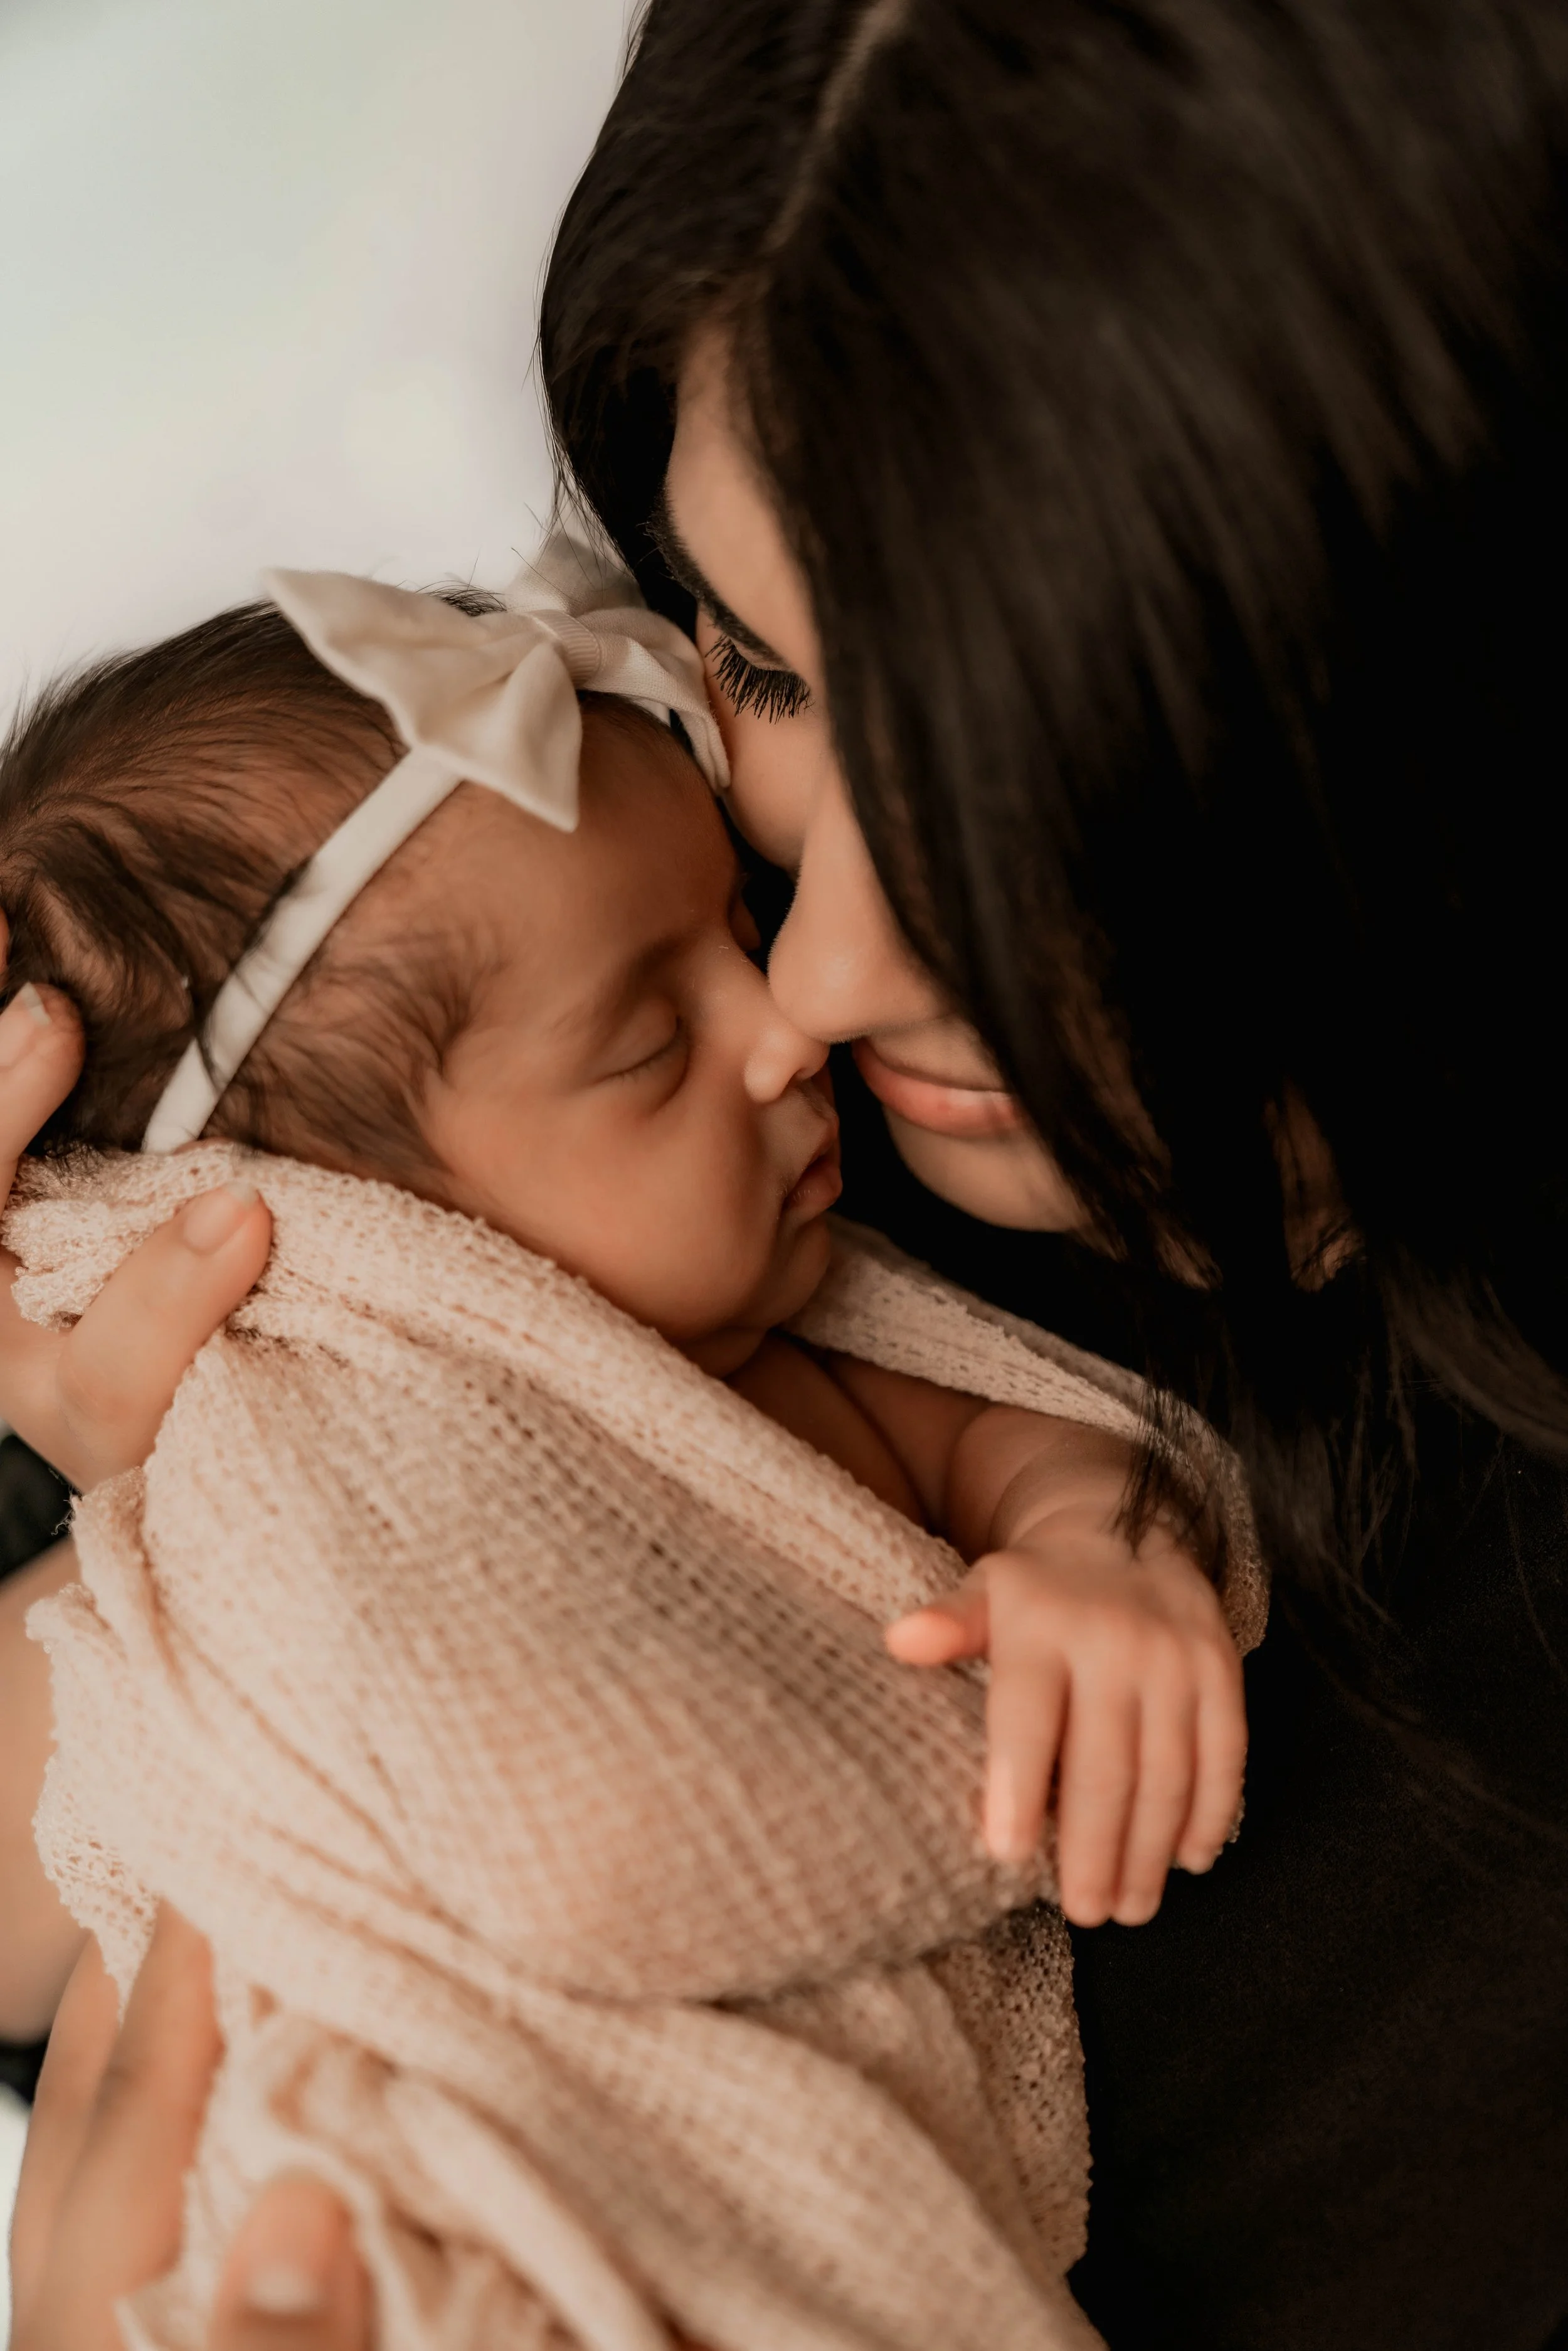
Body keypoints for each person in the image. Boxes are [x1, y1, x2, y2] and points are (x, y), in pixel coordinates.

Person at [7, 0, 1568, 2345]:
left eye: (1039, 794)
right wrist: (156, 1472)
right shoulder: (541, 1059)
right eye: (757, 669)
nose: (813, 975)